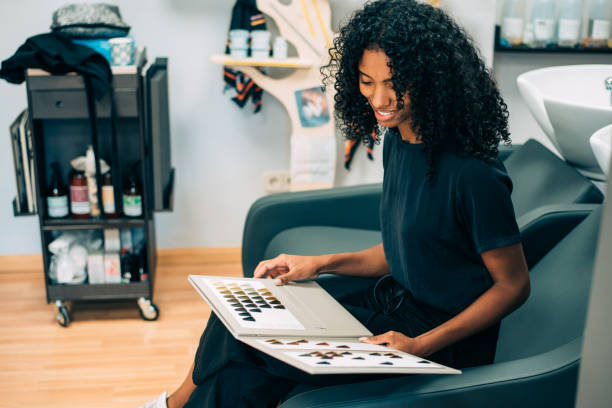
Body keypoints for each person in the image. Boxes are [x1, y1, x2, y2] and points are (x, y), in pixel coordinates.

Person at [140, 1, 530, 407]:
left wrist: (422, 345)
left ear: (432, 77)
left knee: (247, 346)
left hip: (438, 344)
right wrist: (318, 263)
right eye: (366, 81)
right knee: (241, 335)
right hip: (392, 308)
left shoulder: (473, 174)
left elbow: (513, 285)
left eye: (395, 82)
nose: (380, 99)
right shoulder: (398, 141)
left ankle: (171, 405)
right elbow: (406, 252)